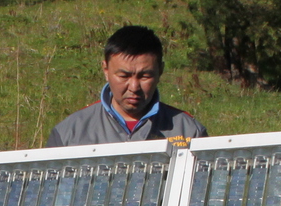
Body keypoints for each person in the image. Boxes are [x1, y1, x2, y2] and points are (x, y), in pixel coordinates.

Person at [44, 25, 208, 148]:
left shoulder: (189, 131)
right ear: (106, 70)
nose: (134, 87)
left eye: (145, 76)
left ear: (160, 71)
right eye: (124, 76)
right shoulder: (69, 134)